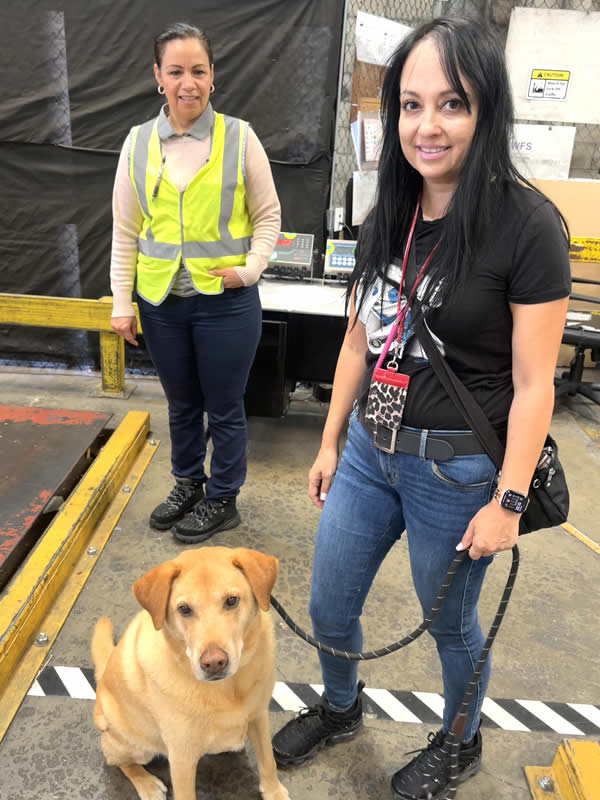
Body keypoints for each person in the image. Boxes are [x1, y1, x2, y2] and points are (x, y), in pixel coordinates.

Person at [272, 17, 570, 799]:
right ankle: (341, 708)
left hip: (459, 471)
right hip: (371, 453)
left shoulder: (527, 227)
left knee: (450, 625)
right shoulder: (390, 213)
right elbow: (356, 344)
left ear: (487, 111)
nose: (427, 125)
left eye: (451, 104)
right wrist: (330, 442)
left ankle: (459, 741)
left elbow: (537, 385)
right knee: (328, 607)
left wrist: (507, 501)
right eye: (410, 104)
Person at [110, 23, 280, 542]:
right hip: (161, 303)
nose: (189, 83)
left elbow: (269, 217)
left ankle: (223, 498)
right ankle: (188, 485)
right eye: (177, 71)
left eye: (199, 71)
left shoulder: (239, 137)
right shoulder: (138, 144)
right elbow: (126, 229)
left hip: (225, 304)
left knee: (225, 406)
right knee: (182, 405)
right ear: (158, 77)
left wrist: (248, 271)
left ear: (213, 77)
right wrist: (122, 302)